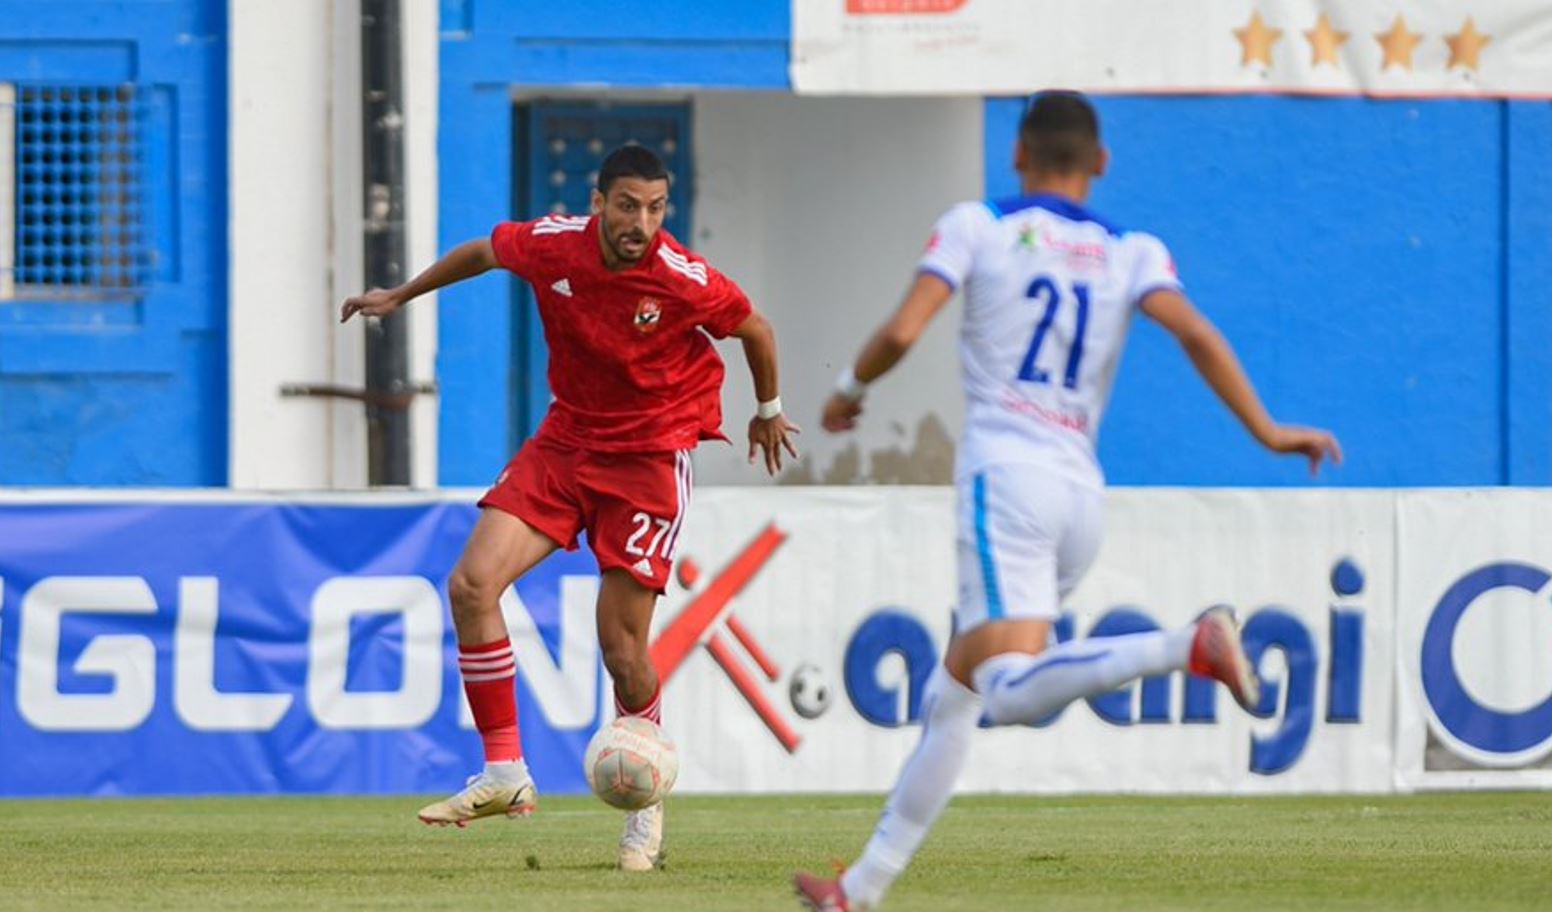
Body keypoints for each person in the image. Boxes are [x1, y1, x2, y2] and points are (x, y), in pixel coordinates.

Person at [794, 91, 1342, 910]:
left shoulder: (978, 225)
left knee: (1006, 689)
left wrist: (848, 388)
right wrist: (1266, 430)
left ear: (1017, 154)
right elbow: (1195, 332)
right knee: (956, 693)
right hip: (1081, 493)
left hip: (1007, 481)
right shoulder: (1131, 250)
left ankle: (1187, 645)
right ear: (1101, 162)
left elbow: (905, 330)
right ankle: (860, 889)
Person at [341, 144, 800, 872]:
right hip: (566, 443)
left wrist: (768, 410)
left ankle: (645, 803)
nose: (641, 223)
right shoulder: (555, 245)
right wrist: (400, 295)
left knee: (622, 651)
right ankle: (504, 772)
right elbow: (484, 252)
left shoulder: (682, 277)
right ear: (598, 203)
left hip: (648, 460)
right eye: (628, 206)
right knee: (471, 586)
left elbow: (756, 329)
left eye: (656, 208)